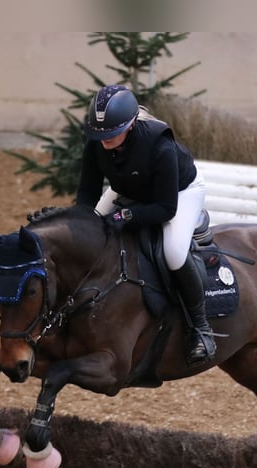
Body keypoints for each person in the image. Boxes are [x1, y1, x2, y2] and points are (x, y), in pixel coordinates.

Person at [76, 84, 216, 365]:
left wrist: (124, 217)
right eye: (100, 134)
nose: (105, 140)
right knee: (90, 231)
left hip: (179, 193)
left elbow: (165, 209)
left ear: (129, 126)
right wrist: (79, 223)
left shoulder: (160, 145)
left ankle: (201, 328)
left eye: (112, 134)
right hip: (131, 187)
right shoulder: (97, 143)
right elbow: (87, 195)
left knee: (174, 253)